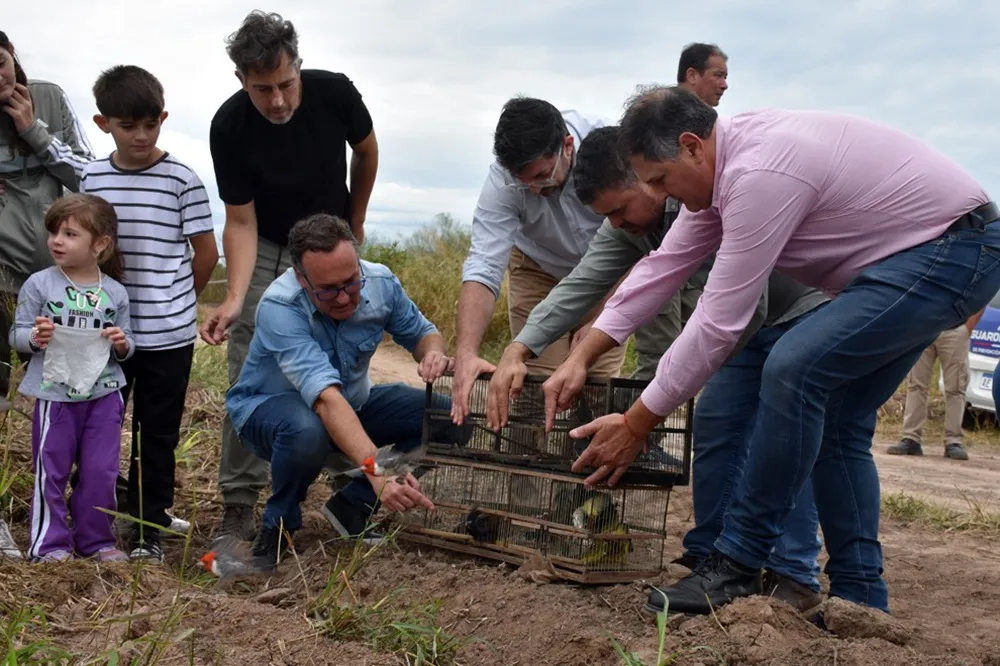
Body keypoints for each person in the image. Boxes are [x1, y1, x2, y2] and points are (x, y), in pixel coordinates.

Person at [545, 85, 1000, 616]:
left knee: (793, 366)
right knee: (837, 420)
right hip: (922, 258)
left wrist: (639, 421)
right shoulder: (721, 171)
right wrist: (583, 353)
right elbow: (662, 267)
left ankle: (737, 564)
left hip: (950, 249)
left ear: (692, 146)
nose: (659, 195)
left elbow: (718, 322)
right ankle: (862, 599)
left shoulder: (759, 174)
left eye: (660, 179)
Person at [485, 124, 828, 613]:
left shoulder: (702, 205)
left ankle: (793, 571)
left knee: (779, 435)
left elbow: (737, 314)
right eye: (607, 216)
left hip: (792, 311)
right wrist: (519, 348)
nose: (618, 224)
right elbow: (582, 284)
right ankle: (713, 557)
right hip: (736, 328)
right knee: (714, 428)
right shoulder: (630, 224)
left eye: (620, 209)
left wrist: (658, 395)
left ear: (648, 178)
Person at [200, 10, 379, 542]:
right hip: (271, 247)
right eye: (262, 90)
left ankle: (351, 483)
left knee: (342, 360)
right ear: (241, 81)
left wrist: (358, 218)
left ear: (299, 66)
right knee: (250, 372)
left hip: (331, 247)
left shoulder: (335, 93)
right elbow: (240, 220)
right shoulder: (229, 125)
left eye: (285, 84)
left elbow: (366, 150)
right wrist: (235, 298)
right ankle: (237, 502)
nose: (277, 100)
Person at [225, 214, 458, 567]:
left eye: (351, 282)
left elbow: (424, 333)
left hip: (351, 404)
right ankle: (278, 528)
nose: (344, 297)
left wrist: (433, 354)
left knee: (449, 418)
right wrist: (378, 472)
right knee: (306, 428)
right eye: (328, 290)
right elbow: (325, 399)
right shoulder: (279, 307)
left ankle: (352, 507)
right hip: (269, 413)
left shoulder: (381, 282)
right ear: (302, 280)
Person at [78, 65, 219, 562]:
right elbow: (84, 244)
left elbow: (206, 252)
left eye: (149, 124)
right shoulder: (92, 176)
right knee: (97, 425)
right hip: (103, 332)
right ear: (103, 124)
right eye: (126, 126)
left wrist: (177, 299)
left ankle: (146, 527)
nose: (140, 136)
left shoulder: (182, 179)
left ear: (163, 118)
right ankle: (96, 510)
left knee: (155, 433)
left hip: (167, 336)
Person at [450, 97, 616, 424]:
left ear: (567, 146)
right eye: (522, 182)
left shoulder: (610, 149)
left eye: (541, 176)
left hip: (609, 271)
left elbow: (638, 242)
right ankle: (527, 462)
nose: (533, 190)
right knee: (537, 381)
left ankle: (590, 463)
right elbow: (484, 265)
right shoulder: (502, 181)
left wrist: (599, 316)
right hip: (539, 267)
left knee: (600, 381)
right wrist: (466, 354)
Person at [10, 193, 133, 562]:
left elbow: (127, 343)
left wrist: (122, 344)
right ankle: (49, 543)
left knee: (101, 469)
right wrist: (35, 337)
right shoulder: (40, 285)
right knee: (51, 467)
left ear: (100, 245)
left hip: (104, 393)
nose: (56, 241)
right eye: (54, 233)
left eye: (68, 234)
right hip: (55, 393)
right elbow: (17, 333)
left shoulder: (114, 292)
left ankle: (96, 540)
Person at [1, 30, 95, 408]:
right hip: (2, 267)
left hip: (54, 269)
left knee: (63, 385)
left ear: (12, 57)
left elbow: (88, 176)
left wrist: (33, 132)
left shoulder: (49, 97)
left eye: (1, 64)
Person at [889, 310, 983, 461]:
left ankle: (953, 442)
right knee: (916, 385)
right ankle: (911, 438)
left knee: (956, 389)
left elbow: (981, 294)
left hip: (955, 330)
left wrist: (967, 327)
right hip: (923, 330)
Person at [676, 42, 729, 108]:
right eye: (718, 75)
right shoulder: (663, 116)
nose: (725, 86)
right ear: (692, 76)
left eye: (725, 77)